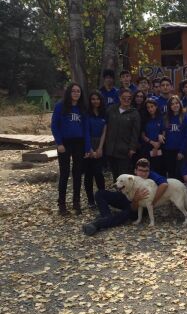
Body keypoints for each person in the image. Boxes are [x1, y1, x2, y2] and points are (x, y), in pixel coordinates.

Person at [82, 158, 168, 236]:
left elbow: (164, 184)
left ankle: (96, 224)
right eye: (140, 170)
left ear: (149, 171)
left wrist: (152, 202)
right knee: (99, 194)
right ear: (135, 170)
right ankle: (107, 218)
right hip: (126, 198)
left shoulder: (151, 176)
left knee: (125, 214)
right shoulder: (130, 177)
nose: (143, 173)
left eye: (146, 171)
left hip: (139, 205)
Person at [51, 83, 91, 215]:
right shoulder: (60, 106)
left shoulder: (82, 108)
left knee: (77, 173)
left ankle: (76, 203)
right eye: (73, 91)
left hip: (79, 143)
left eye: (78, 91)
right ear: (69, 92)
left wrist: (87, 147)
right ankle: (62, 205)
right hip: (64, 143)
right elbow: (54, 126)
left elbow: (86, 129)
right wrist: (59, 143)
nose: (76, 93)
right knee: (64, 173)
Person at [104, 88, 141, 180]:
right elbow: (105, 127)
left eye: (129, 98)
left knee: (124, 177)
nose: (126, 100)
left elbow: (135, 132)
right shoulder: (111, 110)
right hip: (111, 149)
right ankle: (117, 194)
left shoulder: (134, 113)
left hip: (125, 150)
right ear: (119, 98)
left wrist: (132, 148)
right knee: (115, 176)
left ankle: (123, 195)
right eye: (124, 98)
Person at [84, 91, 107, 208]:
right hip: (88, 144)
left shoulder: (104, 113)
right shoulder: (86, 114)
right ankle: (90, 200)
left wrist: (100, 148)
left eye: (97, 99)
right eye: (93, 99)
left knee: (99, 173)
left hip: (100, 145)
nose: (95, 101)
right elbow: (86, 132)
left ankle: (102, 198)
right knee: (89, 174)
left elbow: (104, 132)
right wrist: (90, 149)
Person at [162, 96, 187, 178]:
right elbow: (162, 132)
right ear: (169, 106)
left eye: (176, 103)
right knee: (171, 173)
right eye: (172, 104)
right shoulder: (166, 118)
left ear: (180, 104)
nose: (175, 105)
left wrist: (182, 151)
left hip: (180, 150)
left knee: (179, 174)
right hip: (168, 150)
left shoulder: (186, 117)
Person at [141, 98, 165, 174]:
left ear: (156, 106)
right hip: (147, 147)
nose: (150, 109)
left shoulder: (161, 118)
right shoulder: (144, 119)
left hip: (159, 147)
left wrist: (157, 144)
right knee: (148, 169)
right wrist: (152, 142)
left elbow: (164, 131)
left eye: (152, 106)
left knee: (159, 169)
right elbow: (142, 135)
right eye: (148, 107)